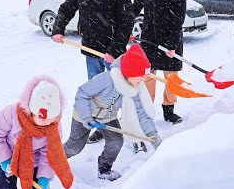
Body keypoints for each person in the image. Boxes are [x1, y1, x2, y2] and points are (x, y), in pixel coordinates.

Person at [52, 0, 134, 145]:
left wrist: (114, 48)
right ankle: (100, 125)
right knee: (96, 92)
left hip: (113, 53)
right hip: (91, 50)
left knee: (120, 90)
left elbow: (126, 21)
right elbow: (66, 9)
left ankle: (127, 123)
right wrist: (58, 28)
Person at [63, 43, 162, 181]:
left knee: (115, 142)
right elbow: (82, 94)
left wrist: (152, 134)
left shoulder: (134, 89)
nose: (143, 79)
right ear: (129, 73)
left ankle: (104, 169)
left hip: (107, 117)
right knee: (75, 147)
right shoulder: (105, 79)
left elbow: (142, 114)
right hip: (83, 114)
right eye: (140, 75)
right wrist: (86, 117)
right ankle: (53, 161)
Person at [0, 75, 73, 189]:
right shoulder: (12, 114)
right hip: (8, 158)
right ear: (32, 109)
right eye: (43, 118)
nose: (48, 123)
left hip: (34, 161)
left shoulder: (54, 126)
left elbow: (49, 154)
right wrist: (5, 161)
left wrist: (44, 177)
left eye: (52, 119)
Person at [132, 0, 187, 124]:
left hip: (172, 38)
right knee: (148, 76)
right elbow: (135, 7)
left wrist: (171, 45)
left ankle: (169, 109)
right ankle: (147, 110)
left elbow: (179, 18)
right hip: (149, 38)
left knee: (171, 77)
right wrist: (124, 26)